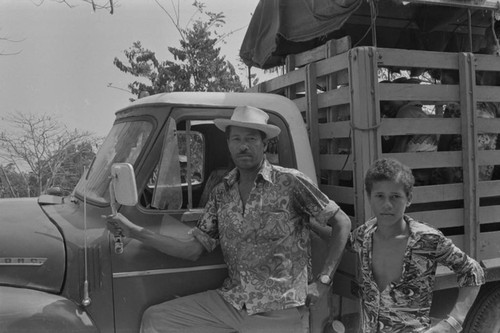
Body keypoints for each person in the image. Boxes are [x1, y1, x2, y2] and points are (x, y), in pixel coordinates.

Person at [107, 105, 352, 333]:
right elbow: (193, 249)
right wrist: (134, 231)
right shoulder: (222, 192)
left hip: (280, 309)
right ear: (229, 144)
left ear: (264, 144)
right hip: (233, 301)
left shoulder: (290, 182)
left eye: (251, 139)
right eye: (237, 139)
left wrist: (323, 281)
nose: (243, 146)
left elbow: (341, 222)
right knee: (156, 320)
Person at [348, 157, 484, 333]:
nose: (387, 205)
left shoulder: (426, 240)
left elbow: (473, 271)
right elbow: (341, 240)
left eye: (395, 197)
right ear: (369, 197)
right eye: (379, 196)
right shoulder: (364, 235)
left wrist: (453, 322)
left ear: (409, 198)